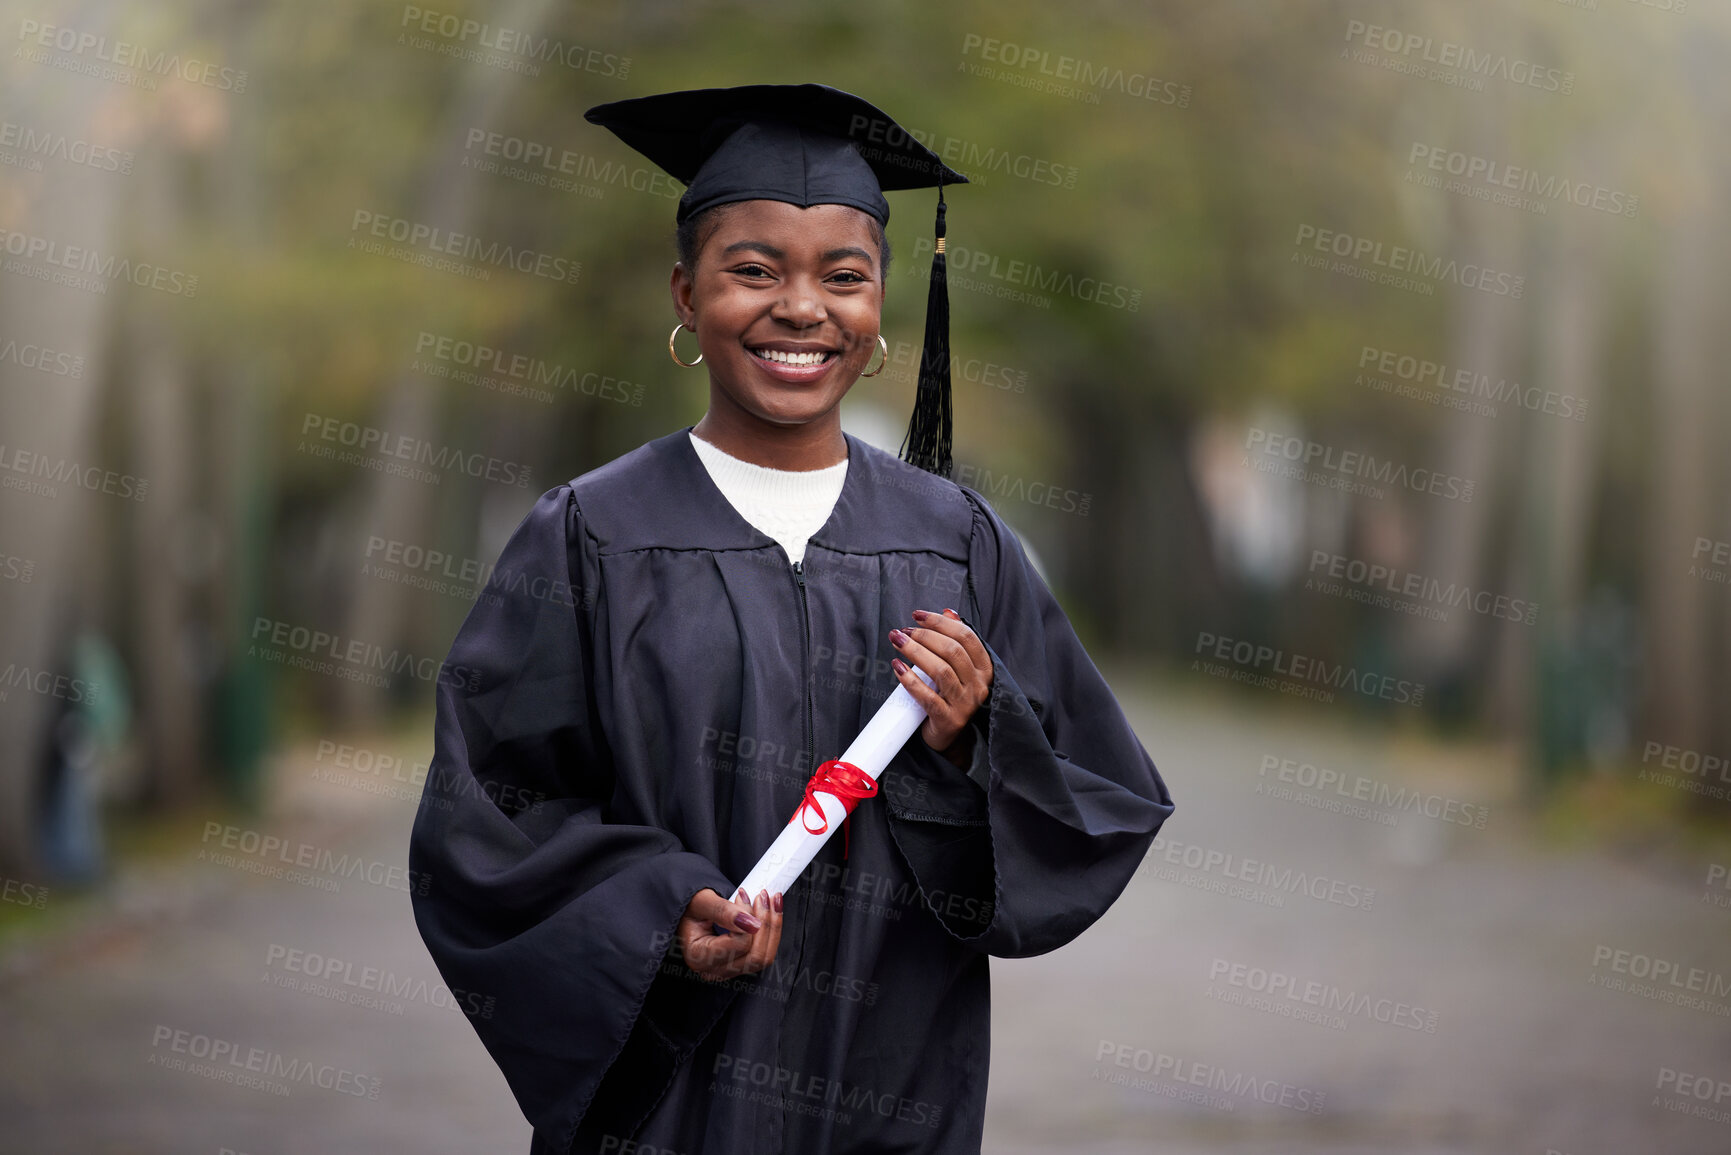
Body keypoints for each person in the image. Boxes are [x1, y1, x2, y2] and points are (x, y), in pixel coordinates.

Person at [408, 83, 1174, 1155]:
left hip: (893, 1085)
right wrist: (659, 911)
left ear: (882, 307)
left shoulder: (954, 542)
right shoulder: (591, 535)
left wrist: (973, 740)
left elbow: (1101, 797)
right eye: (753, 270)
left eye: (843, 277)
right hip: (673, 1098)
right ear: (686, 293)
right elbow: (488, 812)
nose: (802, 308)